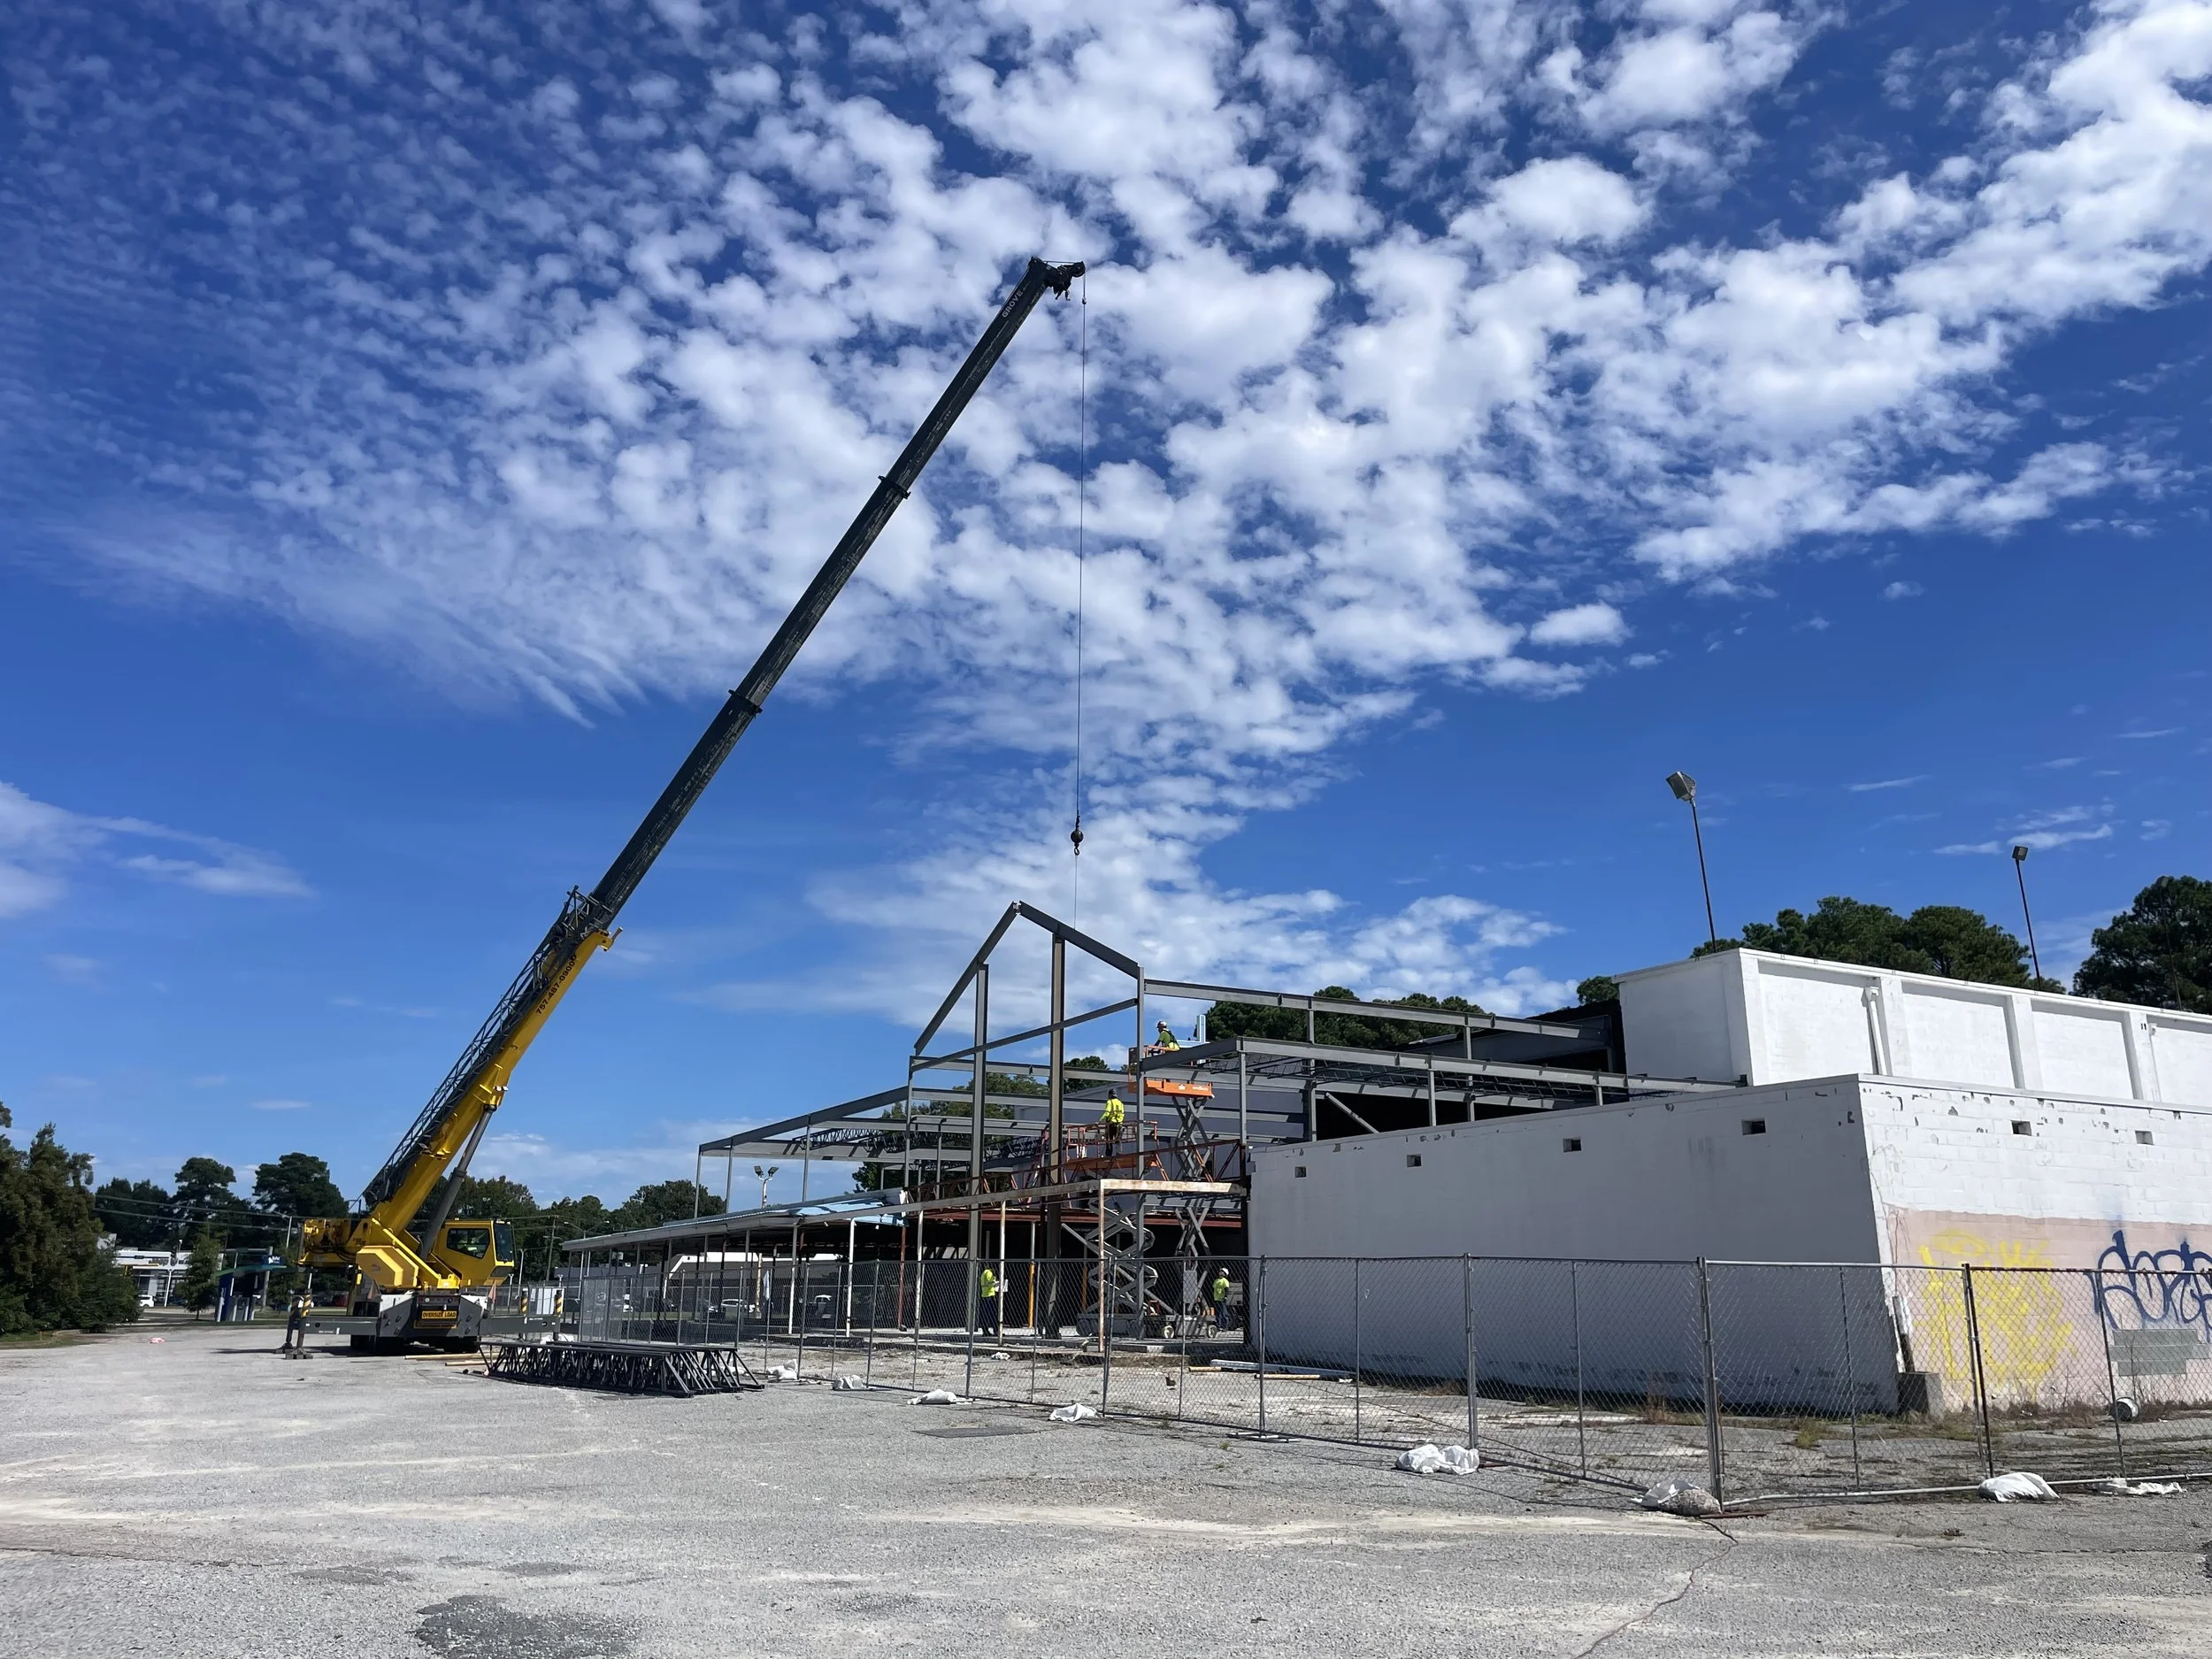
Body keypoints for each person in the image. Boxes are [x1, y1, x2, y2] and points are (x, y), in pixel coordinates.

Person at [281, 1290, 310, 1356]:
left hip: (298, 1315)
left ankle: (291, 1343)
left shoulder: (300, 1300)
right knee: (293, 1327)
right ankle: (291, 1343)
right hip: (298, 1316)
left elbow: (299, 1309)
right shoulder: (299, 1300)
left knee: (293, 1327)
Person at [1100, 1093, 1125, 1161]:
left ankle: (1108, 1156)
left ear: (1110, 1095)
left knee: (1109, 1140)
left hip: (1111, 1124)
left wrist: (1100, 1121)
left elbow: (1107, 1113)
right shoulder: (1121, 1103)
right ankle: (1118, 1154)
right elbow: (1122, 1114)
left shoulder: (1109, 1102)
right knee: (1118, 1140)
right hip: (1119, 1124)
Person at [978, 1264, 1002, 1337]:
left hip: (984, 1294)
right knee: (993, 1314)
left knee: (985, 1315)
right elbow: (991, 1283)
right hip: (990, 1294)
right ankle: (996, 1331)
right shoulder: (989, 1273)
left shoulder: (983, 1273)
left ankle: (985, 1331)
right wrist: (997, 1282)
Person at [1209, 1266, 1233, 1333]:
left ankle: (1225, 1326)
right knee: (1218, 1313)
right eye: (1220, 1271)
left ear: (1225, 1274)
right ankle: (1218, 1326)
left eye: (1222, 1272)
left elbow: (1227, 1289)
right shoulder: (1216, 1280)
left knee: (1224, 1313)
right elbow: (1213, 1289)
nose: (1220, 1273)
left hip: (1222, 1299)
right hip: (1217, 1299)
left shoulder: (1225, 1281)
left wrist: (1225, 1297)